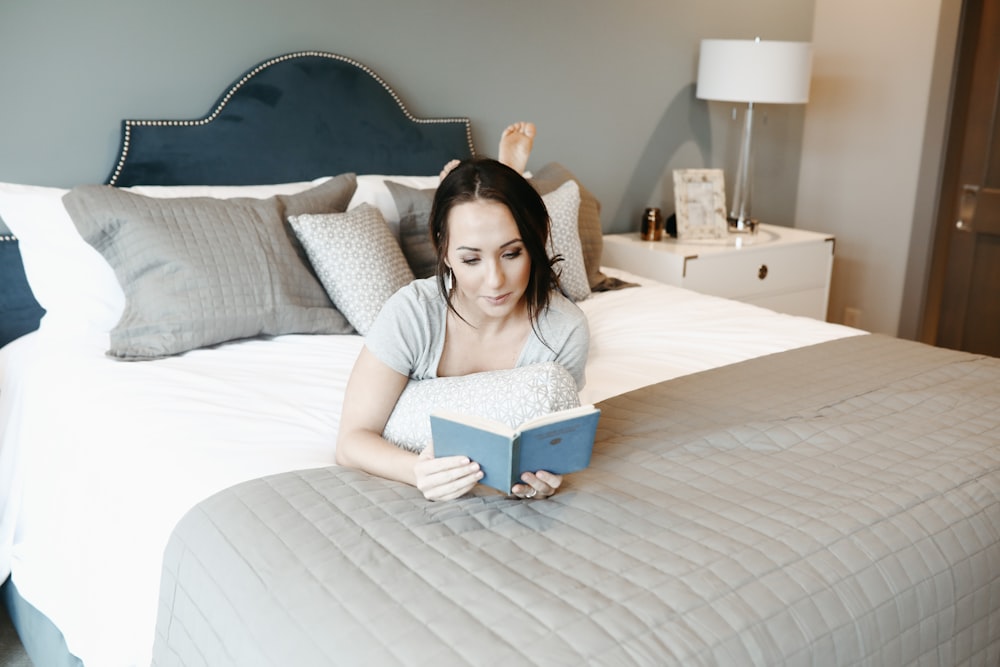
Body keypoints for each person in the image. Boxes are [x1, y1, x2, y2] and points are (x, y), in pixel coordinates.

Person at [335, 122, 590, 501]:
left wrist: (546, 479)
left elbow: (547, 449)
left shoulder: (565, 329)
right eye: (471, 259)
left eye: (512, 253)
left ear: (534, 242)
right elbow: (350, 442)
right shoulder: (412, 314)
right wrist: (418, 472)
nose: (495, 281)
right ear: (444, 251)